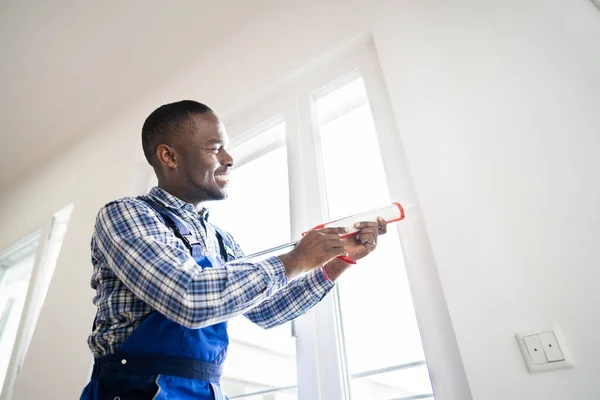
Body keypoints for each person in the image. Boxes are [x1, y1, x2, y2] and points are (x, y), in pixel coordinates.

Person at [80, 100, 387, 399]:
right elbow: (188, 297)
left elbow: (267, 311)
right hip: (136, 388)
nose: (229, 158)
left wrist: (336, 260)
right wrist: (297, 258)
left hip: (207, 390)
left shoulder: (222, 240)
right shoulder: (127, 214)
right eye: (215, 148)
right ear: (169, 156)